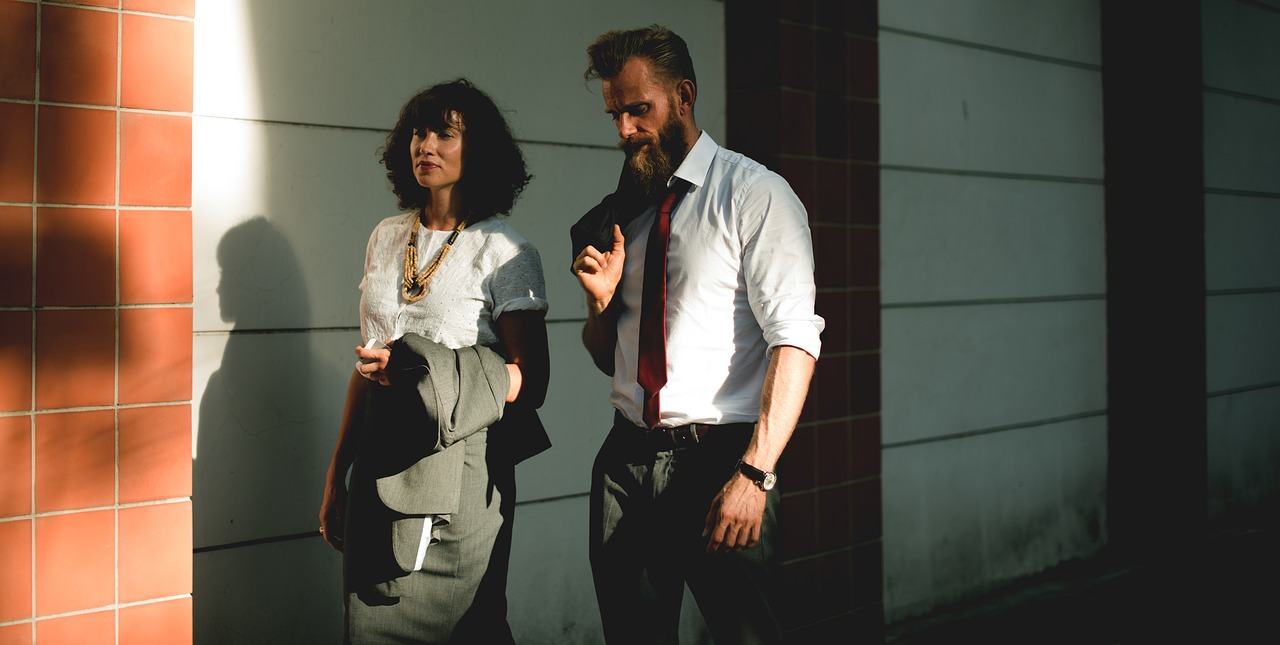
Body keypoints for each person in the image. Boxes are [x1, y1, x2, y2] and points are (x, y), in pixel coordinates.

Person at [570, 25, 824, 644]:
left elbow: (796, 340)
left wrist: (755, 473)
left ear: (683, 96)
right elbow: (608, 358)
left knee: (747, 635)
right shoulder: (618, 211)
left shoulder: (756, 195)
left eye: (639, 110)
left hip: (718, 460)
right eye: (615, 114)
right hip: (625, 460)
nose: (625, 130)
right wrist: (600, 305)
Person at [319, 78, 549, 644]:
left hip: (463, 464)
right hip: (380, 454)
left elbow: (532, 380)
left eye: (444, 134)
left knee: (468, 627)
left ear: (478, 151)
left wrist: (435, 375)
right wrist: (337, 472)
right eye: (419, 133)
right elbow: (367, 367)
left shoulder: (506, 251)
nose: (426, 145)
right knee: (371, 618)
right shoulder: (386, 236)